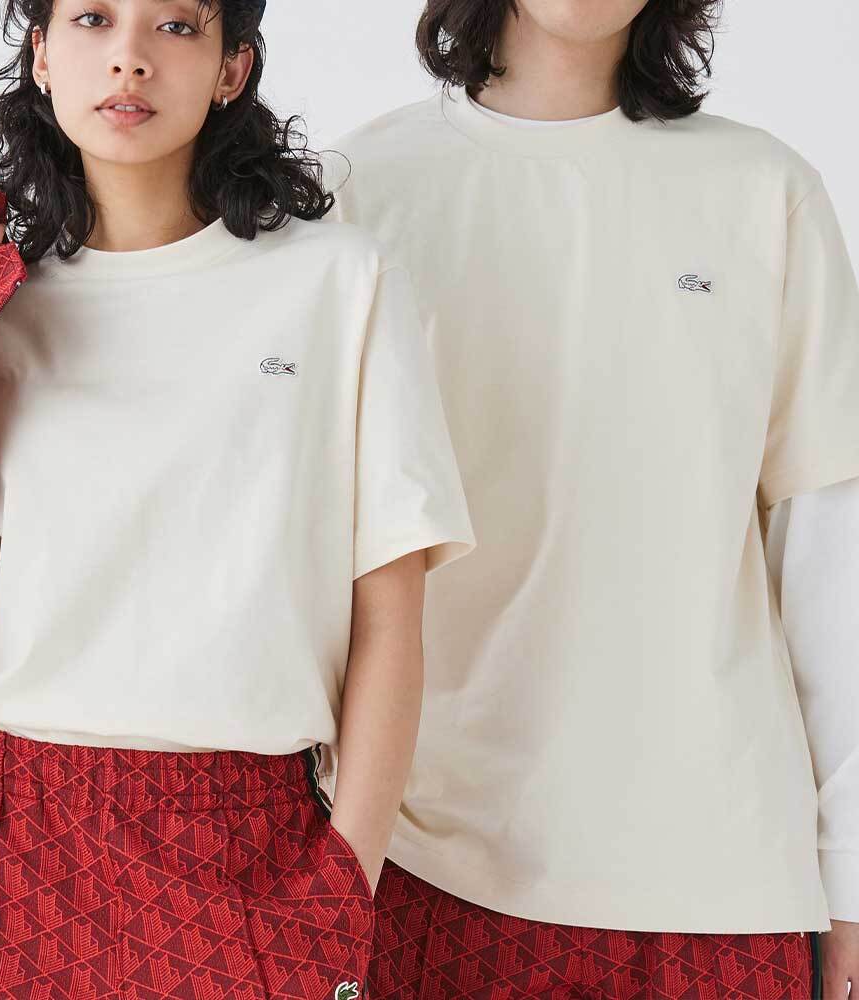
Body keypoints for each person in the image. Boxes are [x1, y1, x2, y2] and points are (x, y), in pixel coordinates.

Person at [0, 1, 477, 998]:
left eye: (176, 27)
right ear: (42, 57)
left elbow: (391, 614)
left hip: (245, 839)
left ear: (233, 68)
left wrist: (343, 885)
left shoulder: (338, 282)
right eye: (92, 19)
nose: (129, 60)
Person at [323, 1, 859, 997]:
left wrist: (853, 876)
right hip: (427, 862)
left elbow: (832, 562)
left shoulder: (764, 191)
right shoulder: (360, 189)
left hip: (720, 878)